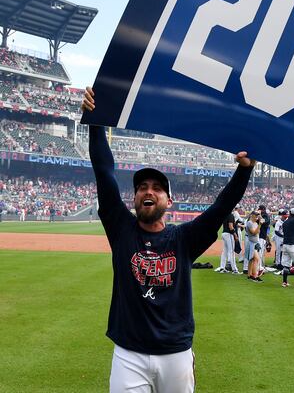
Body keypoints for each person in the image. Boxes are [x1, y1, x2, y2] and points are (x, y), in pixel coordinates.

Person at [81, 87, 255, 392]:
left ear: (168, 201)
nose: (148, 191)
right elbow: (104, 173)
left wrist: (243, 172)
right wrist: (97, 122)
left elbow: (220, 208)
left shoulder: (184, 239)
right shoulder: (121, 229)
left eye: (157, 188)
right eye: (142, 187)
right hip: (129, 354)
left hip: (175, 352)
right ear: (134, 198)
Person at [244, 210, 263, 283]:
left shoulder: (255, 223)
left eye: (257, 215)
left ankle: (249, 275)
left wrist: (259, 217)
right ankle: (255, 276)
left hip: (255, 242)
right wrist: (260, 225)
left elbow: (257, 232)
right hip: (251, 243)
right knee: (256, 259)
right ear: (252, 215)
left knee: (251, 259)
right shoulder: (249, 223)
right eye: (256, 215)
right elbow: (254, 232)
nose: (257, 217)